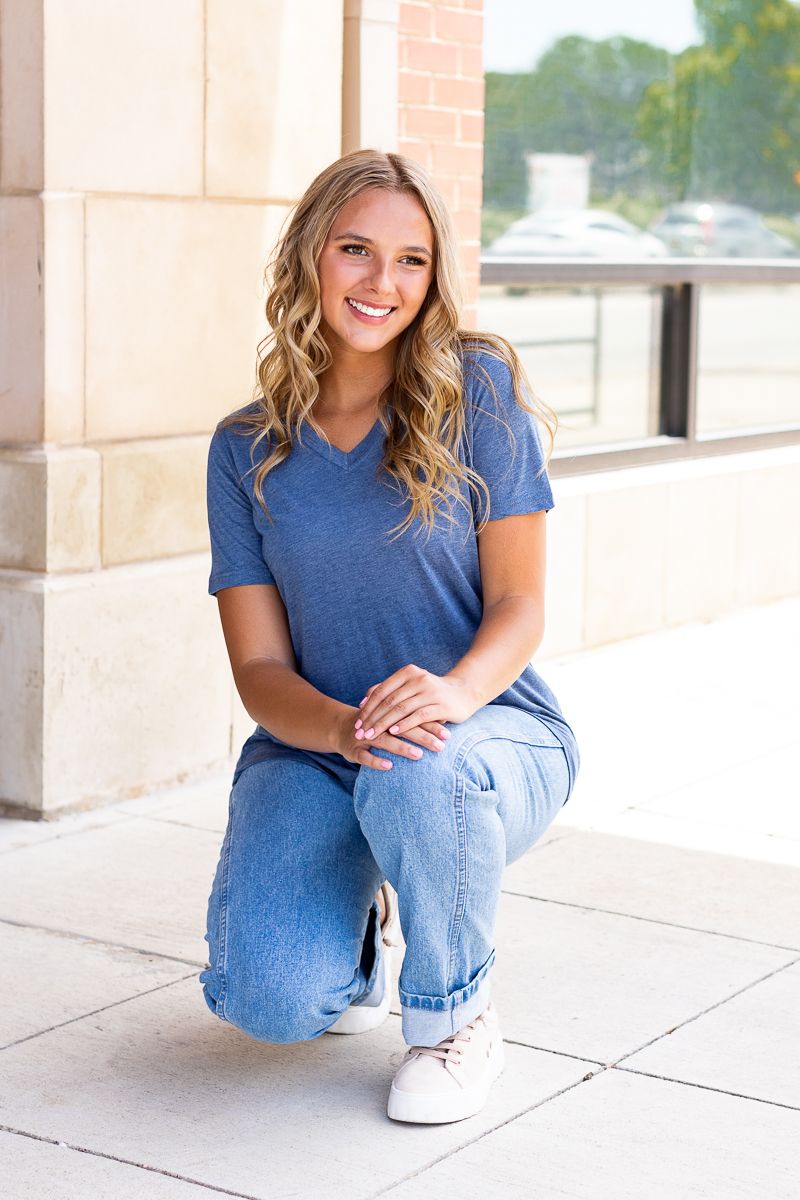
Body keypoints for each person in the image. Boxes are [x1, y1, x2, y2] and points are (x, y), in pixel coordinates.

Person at [199, 148, 580, 1125]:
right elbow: (258, 667)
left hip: (482, 734)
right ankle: (364, 931)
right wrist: (335, 732)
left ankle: (456, 1017)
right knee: (269, 1001)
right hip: (322, 745)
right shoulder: (245, 449)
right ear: (307, 259)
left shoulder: (476, 391)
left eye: (411, 261)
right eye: (356, 251)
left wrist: (449, 696)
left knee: (416, 765)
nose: (383, 283)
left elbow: (521, 607)